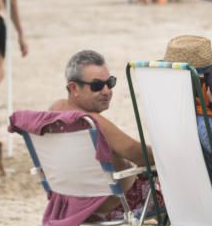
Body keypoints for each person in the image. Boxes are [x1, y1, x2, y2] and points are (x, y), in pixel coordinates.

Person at [49, 50, 153, 216]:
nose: (106, 91)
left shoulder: (55, 111)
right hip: (116, 203)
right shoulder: (92, 122)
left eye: (110, 83)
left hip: (68, 204)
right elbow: (141, 156)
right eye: (97, 85)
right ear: (74, 88)